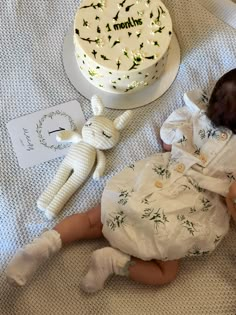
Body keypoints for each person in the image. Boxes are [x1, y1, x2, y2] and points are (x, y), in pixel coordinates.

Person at [6, 69, 236, 292]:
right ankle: (115, 261)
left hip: (148, 186)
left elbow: (167, 140)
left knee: (91, 221)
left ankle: (45, 243)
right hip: (183, 216)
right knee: (165, 271)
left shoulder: (194, 114)